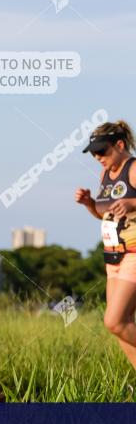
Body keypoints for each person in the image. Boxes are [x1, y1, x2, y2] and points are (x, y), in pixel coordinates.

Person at [76, 121, 136, 371]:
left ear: (120, 145)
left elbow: (129, 204)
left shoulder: (133, 168)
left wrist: (133, 204)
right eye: (93, 153)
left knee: (114, 321)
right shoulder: (105, 174)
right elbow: (106, 212)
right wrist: (90, 204)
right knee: (121, 327)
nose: (97, 157)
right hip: (113, 257)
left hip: (134, 253)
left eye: (102, 151)